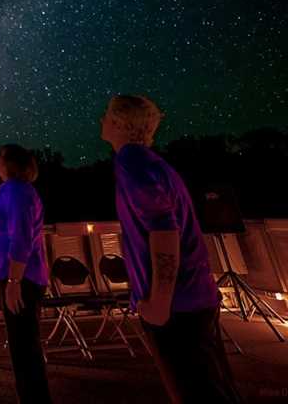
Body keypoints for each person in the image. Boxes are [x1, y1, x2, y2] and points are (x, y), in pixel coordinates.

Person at [101, 94, 242, 404]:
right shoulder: (150, 162)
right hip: (192, 300)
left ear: (119, 122)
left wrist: (160, 301)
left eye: (106, 115)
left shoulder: (131, 161)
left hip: (178, 307)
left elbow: (164, 230)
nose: (101, 121)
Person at [0, 144, 52, 404]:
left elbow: (21, 238)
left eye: (0, 156)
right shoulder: (11, 190)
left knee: (25, 351)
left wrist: (14, 281)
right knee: (23, 349)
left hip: (21, 278)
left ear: (11, 163)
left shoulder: (17, 191)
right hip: (18, 276)